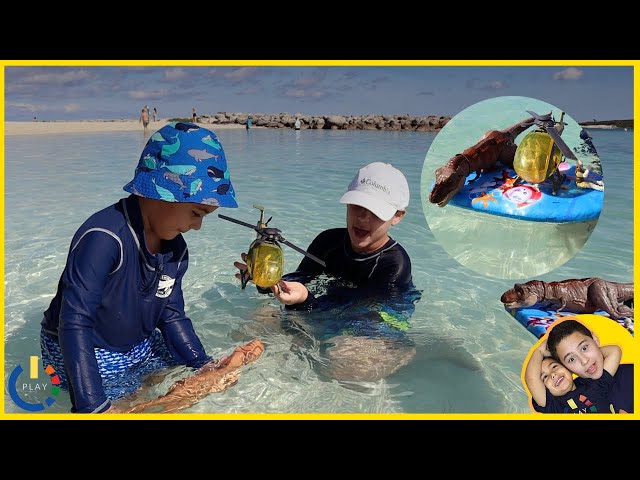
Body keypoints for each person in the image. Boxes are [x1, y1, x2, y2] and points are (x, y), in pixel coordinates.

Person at [40, 122, 239, 413]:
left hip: (137, 345)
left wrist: (204, 366)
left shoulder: (175, 249)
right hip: (83, 349)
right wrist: (93, 406)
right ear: (160, 193)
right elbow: (75, 322)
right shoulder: (104, 238)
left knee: (199, 379)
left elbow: (171, 316)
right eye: (197, 212)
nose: (197, 226)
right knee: (131, 401)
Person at [234, 162, 417, 381]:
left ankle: (412, 353)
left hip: (371, 325)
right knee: (254, 324)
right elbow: (301, 279)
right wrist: (266, 281)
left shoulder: (394, 266)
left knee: (340, 361)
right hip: (325, 309)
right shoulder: (328, 241)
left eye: (375, 211)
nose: (362, 217)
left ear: (397, 216)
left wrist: (304, 300)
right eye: (357, 205)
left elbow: (353, 317)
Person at [547, 319, 633, 413]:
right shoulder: (574, 395)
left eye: (584, 348)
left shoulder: (630, 374)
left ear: (595, 340)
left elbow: (615, 350)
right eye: (571, 359)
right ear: (566, 367)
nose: (584, 361)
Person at [525, 339, 621, 414]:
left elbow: (613, 352)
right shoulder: (553, 404)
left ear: (569, 369)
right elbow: (531, 378)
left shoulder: (594, 384)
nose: (553, 374)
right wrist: (540, 351)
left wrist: (576, 358)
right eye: (545, 377)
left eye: (554, 367)